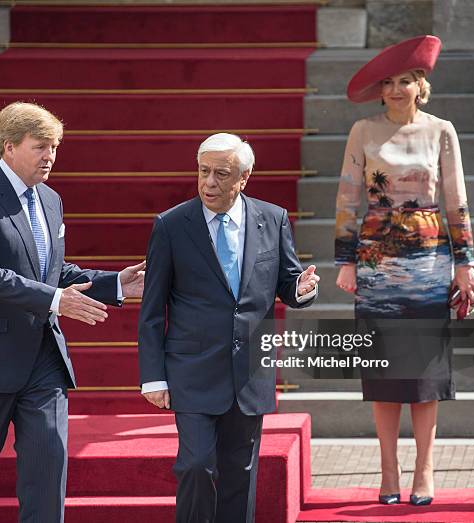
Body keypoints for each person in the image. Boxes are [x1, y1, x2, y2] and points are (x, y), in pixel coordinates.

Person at [0, 102, 145, 522]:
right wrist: (58, 300)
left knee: (48, 469)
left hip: (43, 357)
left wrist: (116, 284)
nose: (51, 157)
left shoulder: (51, 199)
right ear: (9, 147)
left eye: (55, 147)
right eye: (41, 147)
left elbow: (52, 269)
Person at [138, 133, 320, 523]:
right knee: (196, 465)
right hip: (191, 370)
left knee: (240, 475)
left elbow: (287, 281)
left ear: (244, 177)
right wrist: (153, 377)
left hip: (249, 372)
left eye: (222, 174)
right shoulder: (171, 225)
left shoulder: (272, 218)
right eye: (203, 171)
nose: (209, 182)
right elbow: (152, 309)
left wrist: (300, 290)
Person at [334, 36, 474, 506]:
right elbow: (347, 199)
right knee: (383, 372)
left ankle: (425, 469)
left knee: (425, 376)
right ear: (380, 90)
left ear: (422, 86)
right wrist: (345, 261)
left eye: (407, 81)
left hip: (430, 267)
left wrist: (465, 264)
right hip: (376, 268)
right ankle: (388, 469)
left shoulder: (442, 130)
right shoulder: (362, 130)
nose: (397, 89)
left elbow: (457, 200)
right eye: (389, 82)